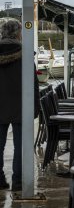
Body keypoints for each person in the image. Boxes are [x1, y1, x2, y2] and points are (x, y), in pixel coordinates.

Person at [0, 18, 40, 191]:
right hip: (21, 106)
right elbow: (34, 85)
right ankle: (18, 182)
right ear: (18, 33)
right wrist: (35, 108)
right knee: (21, 146)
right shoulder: (24, 55)